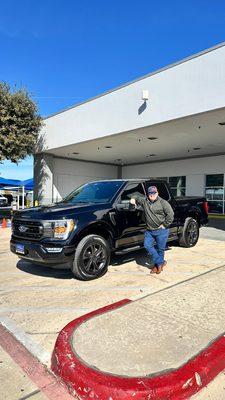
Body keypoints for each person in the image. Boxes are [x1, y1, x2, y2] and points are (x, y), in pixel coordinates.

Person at [130, 186, 174, 274]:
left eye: (154, 193)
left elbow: (171, 214)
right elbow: (135, 195)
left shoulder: (163, 203)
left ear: (157, 193)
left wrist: (164, 225)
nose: (152, 195)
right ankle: (160, 263)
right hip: (149, 230)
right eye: (150, 193)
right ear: (148, 194)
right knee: (147, 245)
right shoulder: (145, 201)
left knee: (160, 249)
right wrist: (133, 199)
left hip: (162, 231)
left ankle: (157, 266)